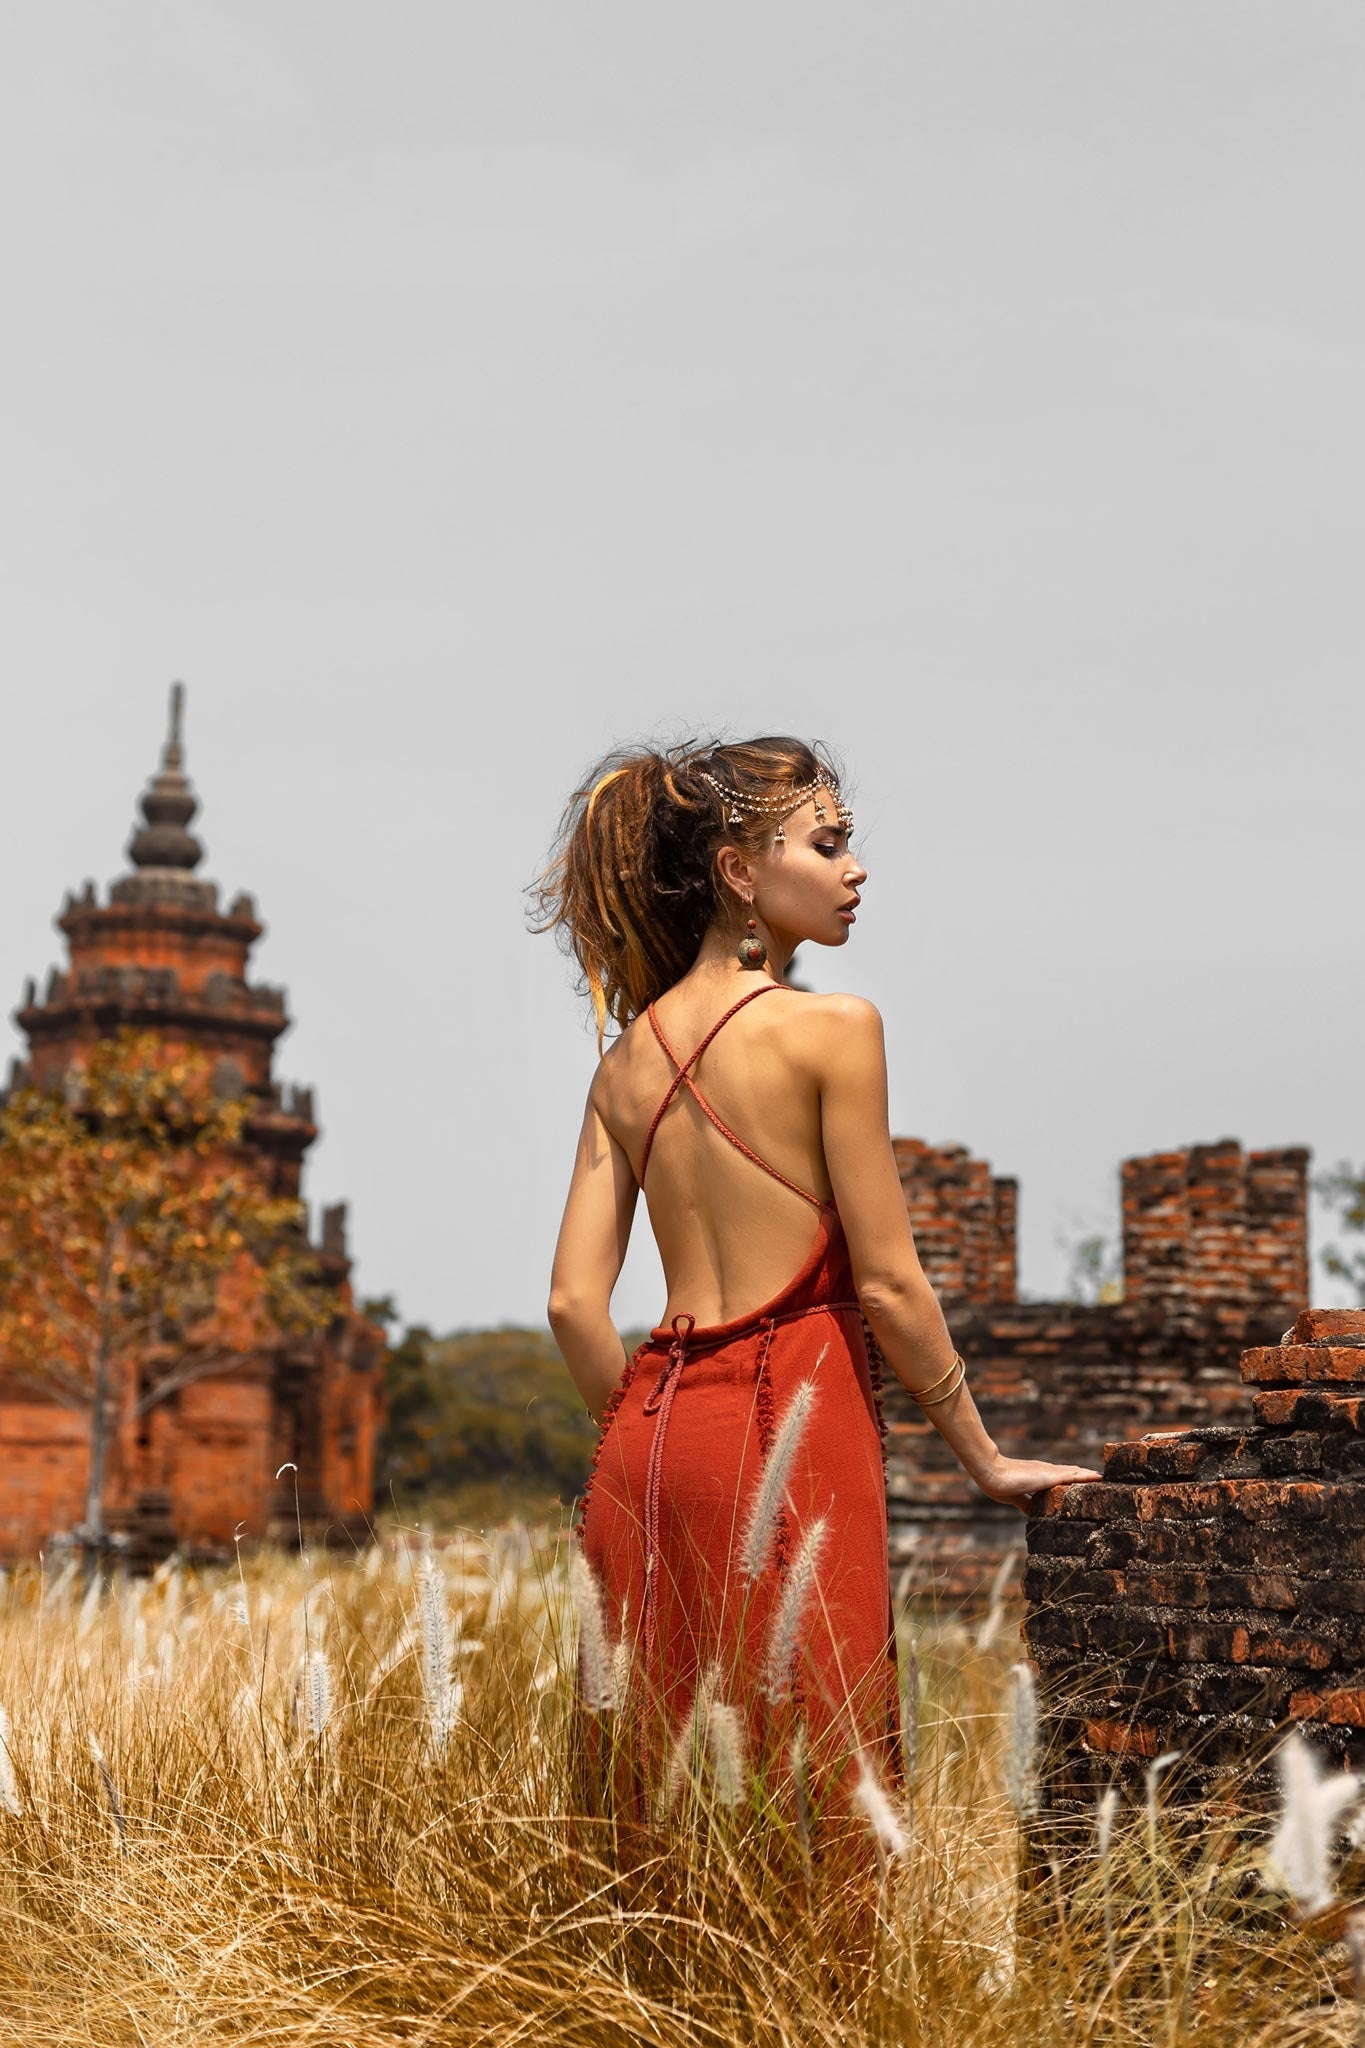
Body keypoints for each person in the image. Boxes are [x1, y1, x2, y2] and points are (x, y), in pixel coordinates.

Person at [535, 736, 1098, 1871]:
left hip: (646, 1442)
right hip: (792, 1419)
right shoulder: (835, 1029)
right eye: (829, 843)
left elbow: (569, 1304)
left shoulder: (623, 1063)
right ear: (741, 870)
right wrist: (986, 1460)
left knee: (653, 1807)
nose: (857, 871)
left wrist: (638, 1442)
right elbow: (889, 1280)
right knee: (828, 1786)